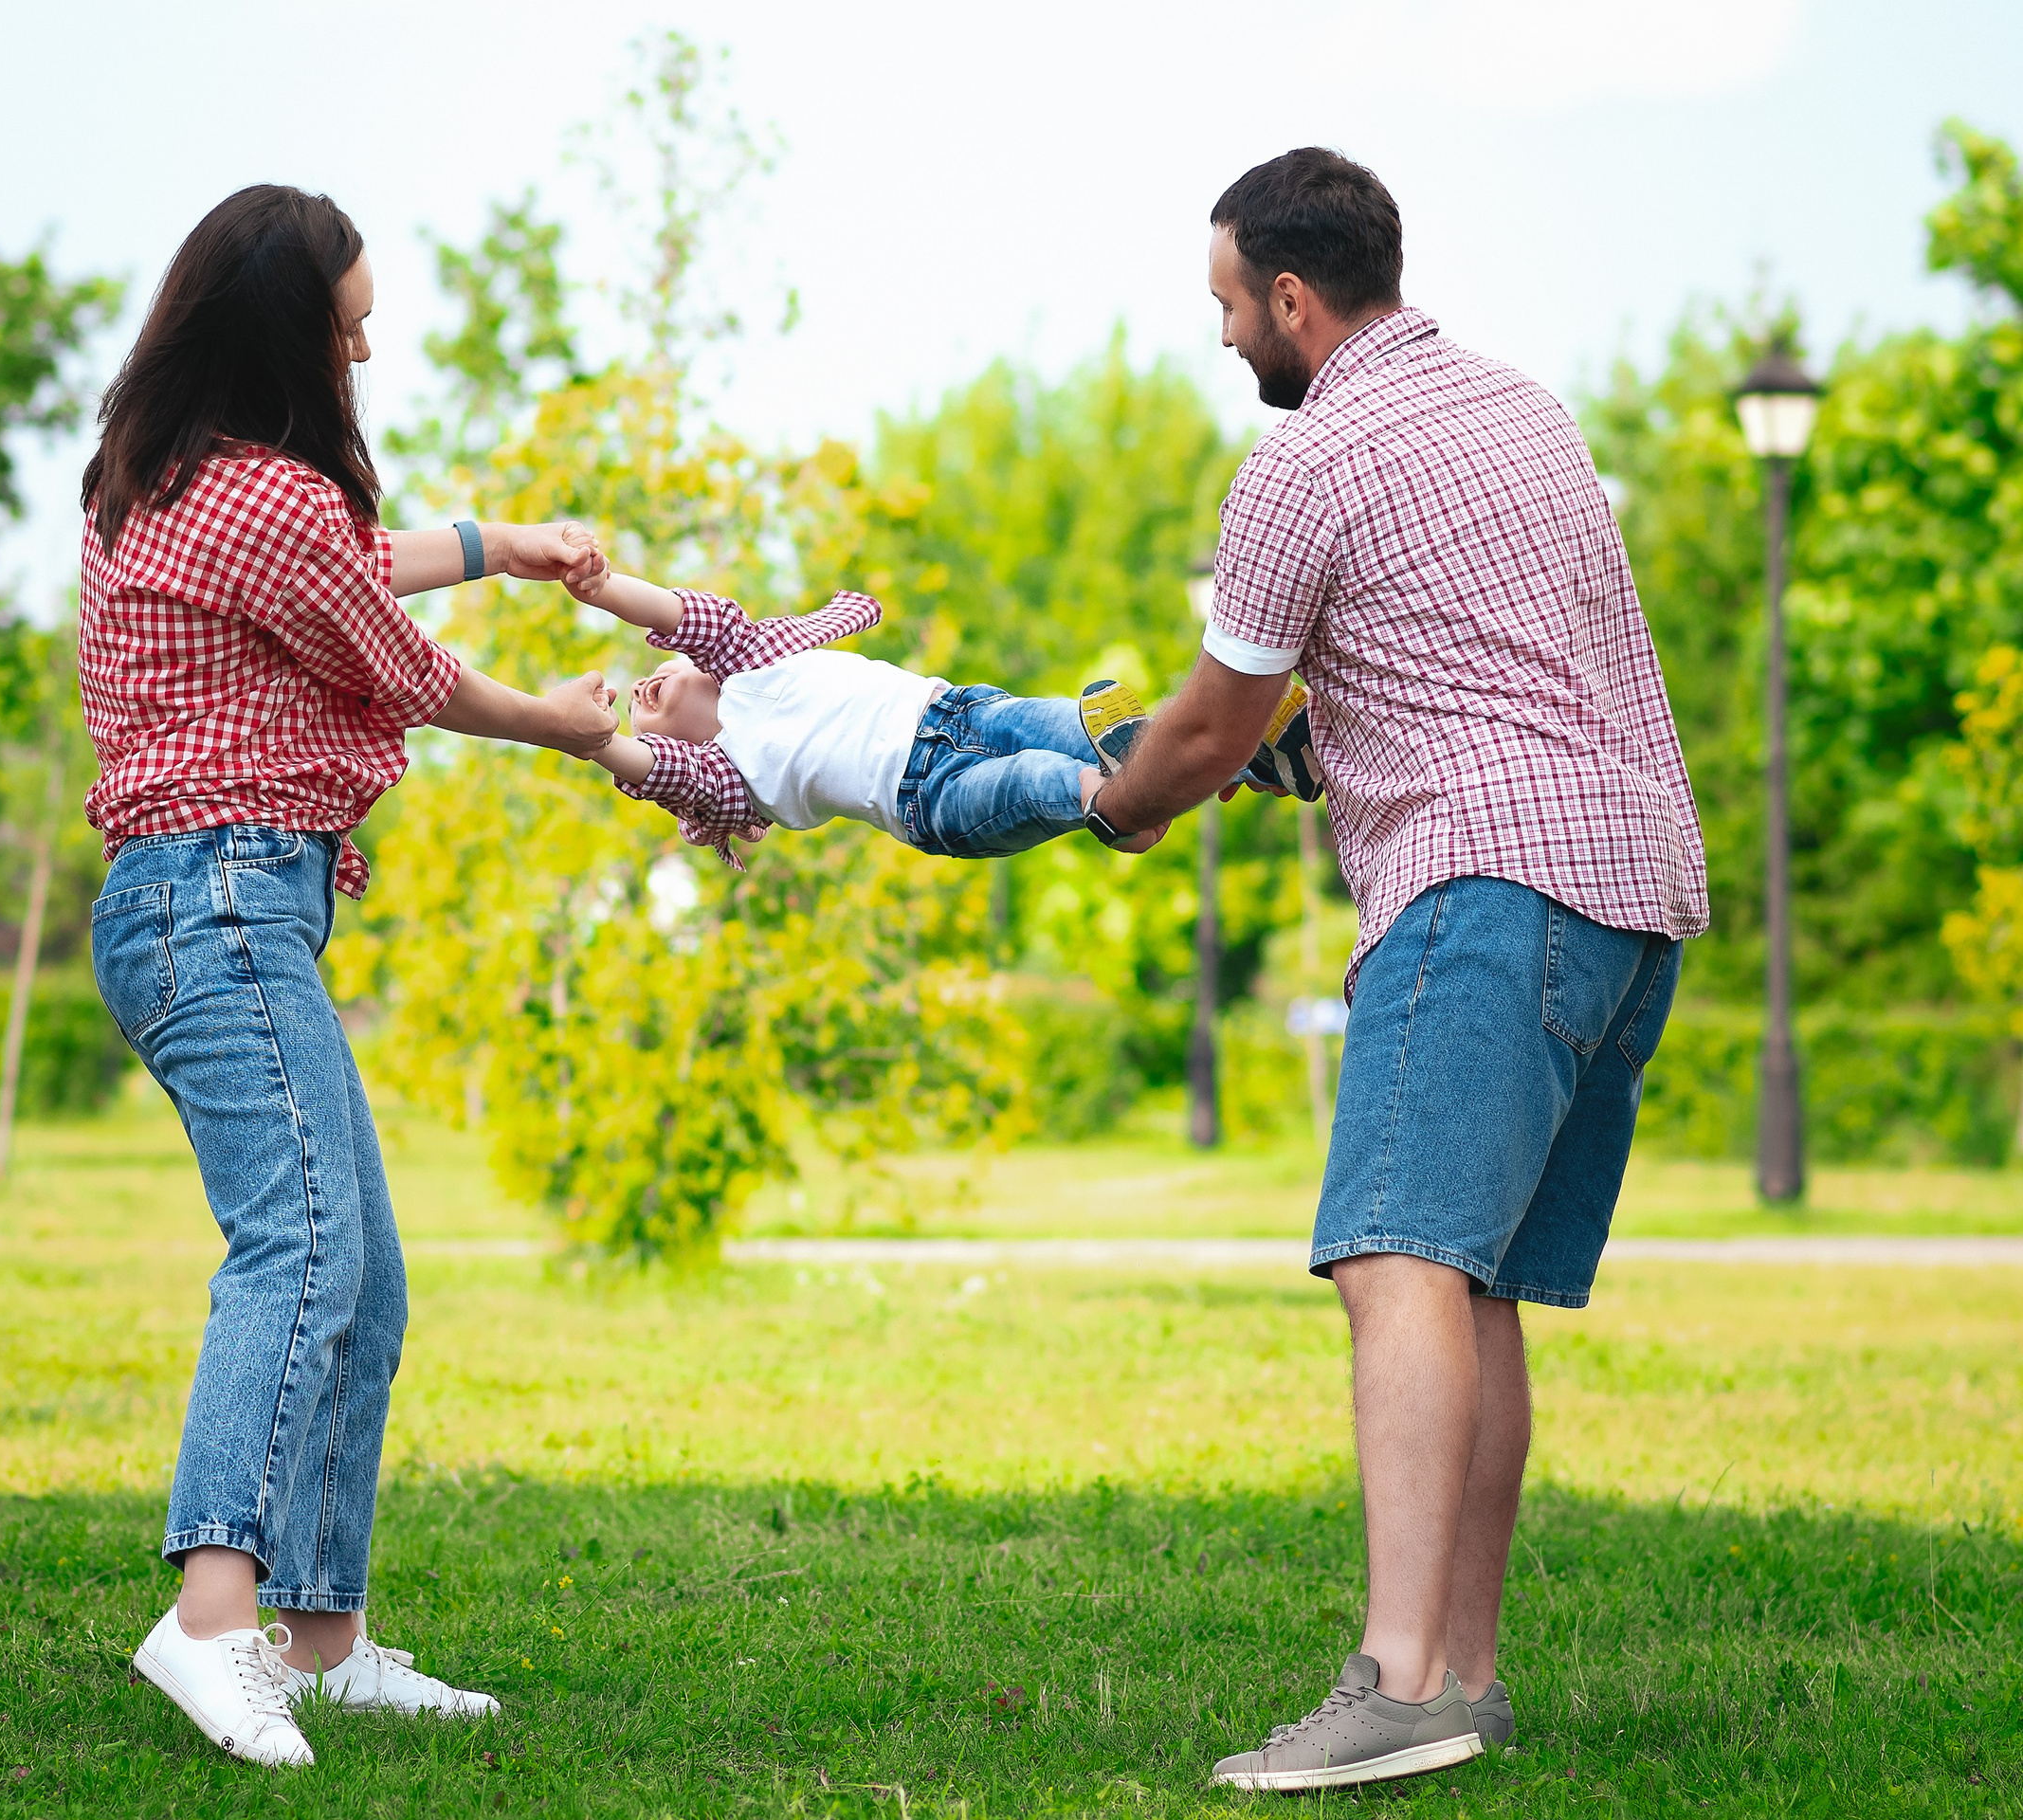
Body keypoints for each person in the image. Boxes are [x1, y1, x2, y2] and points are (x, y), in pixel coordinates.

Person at [1086, 148, 1708, 1793]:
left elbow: (1213, 726)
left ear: (1292, 296)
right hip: (1627, 887)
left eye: (1228, 304)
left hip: (1483, 887)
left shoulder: (1308, 456)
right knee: (1471, 1280)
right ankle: (1469, 1678)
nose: (1225, 338)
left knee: (1395, 1263)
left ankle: (1398, 1677)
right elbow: (1474, 666)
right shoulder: (1524, 412)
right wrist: (1309, 761)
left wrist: (1121, 798)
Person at [77, 185, 616, 1769]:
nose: (366, 348)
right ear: (282, 335)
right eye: (350, 324)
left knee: (359, 1278)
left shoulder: (173, 479)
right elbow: (401, 662)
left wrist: (501, 544)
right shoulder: (257, 500)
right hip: (218, 902)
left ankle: (318, 1642)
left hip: (218, 906)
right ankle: (212, 1621)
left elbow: (343, 565)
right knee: (300, 1249)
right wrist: (582, 724)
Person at [556, 563, 1320, 864]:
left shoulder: (751, 657)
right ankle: (1118, 808)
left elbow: (682, 614)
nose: (640, 691)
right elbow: (657, 771)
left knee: (1072, 725)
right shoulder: (729, 776)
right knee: (1037, 777)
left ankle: (1260, 751)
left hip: (960, 710)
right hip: (930, 799)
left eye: (653, 671)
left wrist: (602, 587)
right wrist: (598, 743)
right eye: (635, 711)